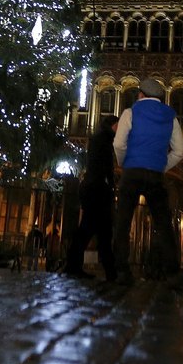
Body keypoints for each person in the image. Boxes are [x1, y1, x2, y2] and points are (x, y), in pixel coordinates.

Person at [112, 77, 183, 285]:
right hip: (155, 174)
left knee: (123, 221)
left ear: (140, 95)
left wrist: (124, 162)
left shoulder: (131, 112)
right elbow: (180, 151)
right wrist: (162, 165)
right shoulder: (170, 116)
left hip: (132, 171)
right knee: (163, 224)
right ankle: (172, 273)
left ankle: (121, 271)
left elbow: (118, 143)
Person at [63, 115, 120, 280]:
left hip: (94, 189)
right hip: (97, 190)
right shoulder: (104, 140)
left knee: (93, 230)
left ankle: (76, 265)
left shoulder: (100, 139)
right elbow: (104, 166)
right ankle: (108, 271)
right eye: (117, 126)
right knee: (98, 230)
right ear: (112, 126)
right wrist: (110, 184)